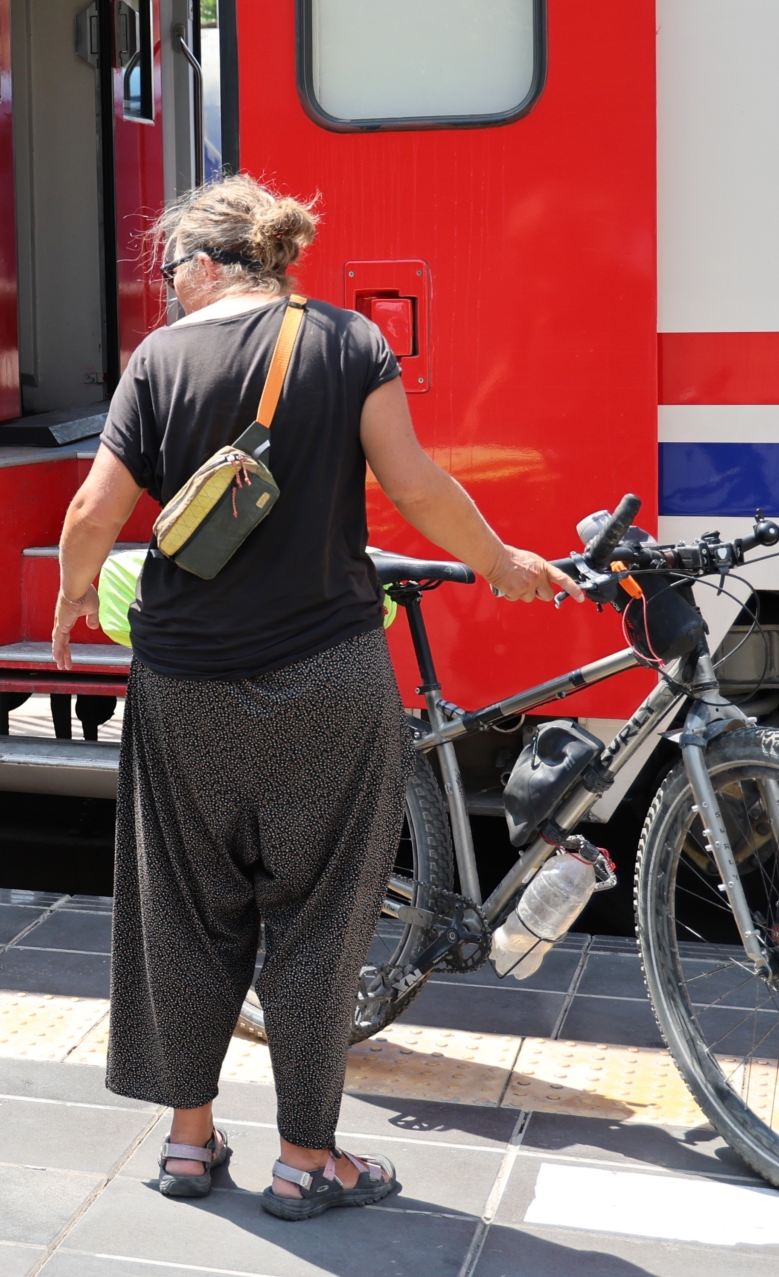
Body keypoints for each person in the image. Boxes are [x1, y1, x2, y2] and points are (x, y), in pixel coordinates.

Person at [48, 176, 577, 1220]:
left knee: (186, 909)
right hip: (326, 675)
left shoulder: (158, 362)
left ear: (205, 264)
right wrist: (502, 558)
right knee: (317, 918)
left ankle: (188, 1146)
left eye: (168, 272)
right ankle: (307, 1160)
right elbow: (416, 484)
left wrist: (71, 595)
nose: (166, 292)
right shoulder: (343, 343)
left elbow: (92, 509)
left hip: (182, 681)